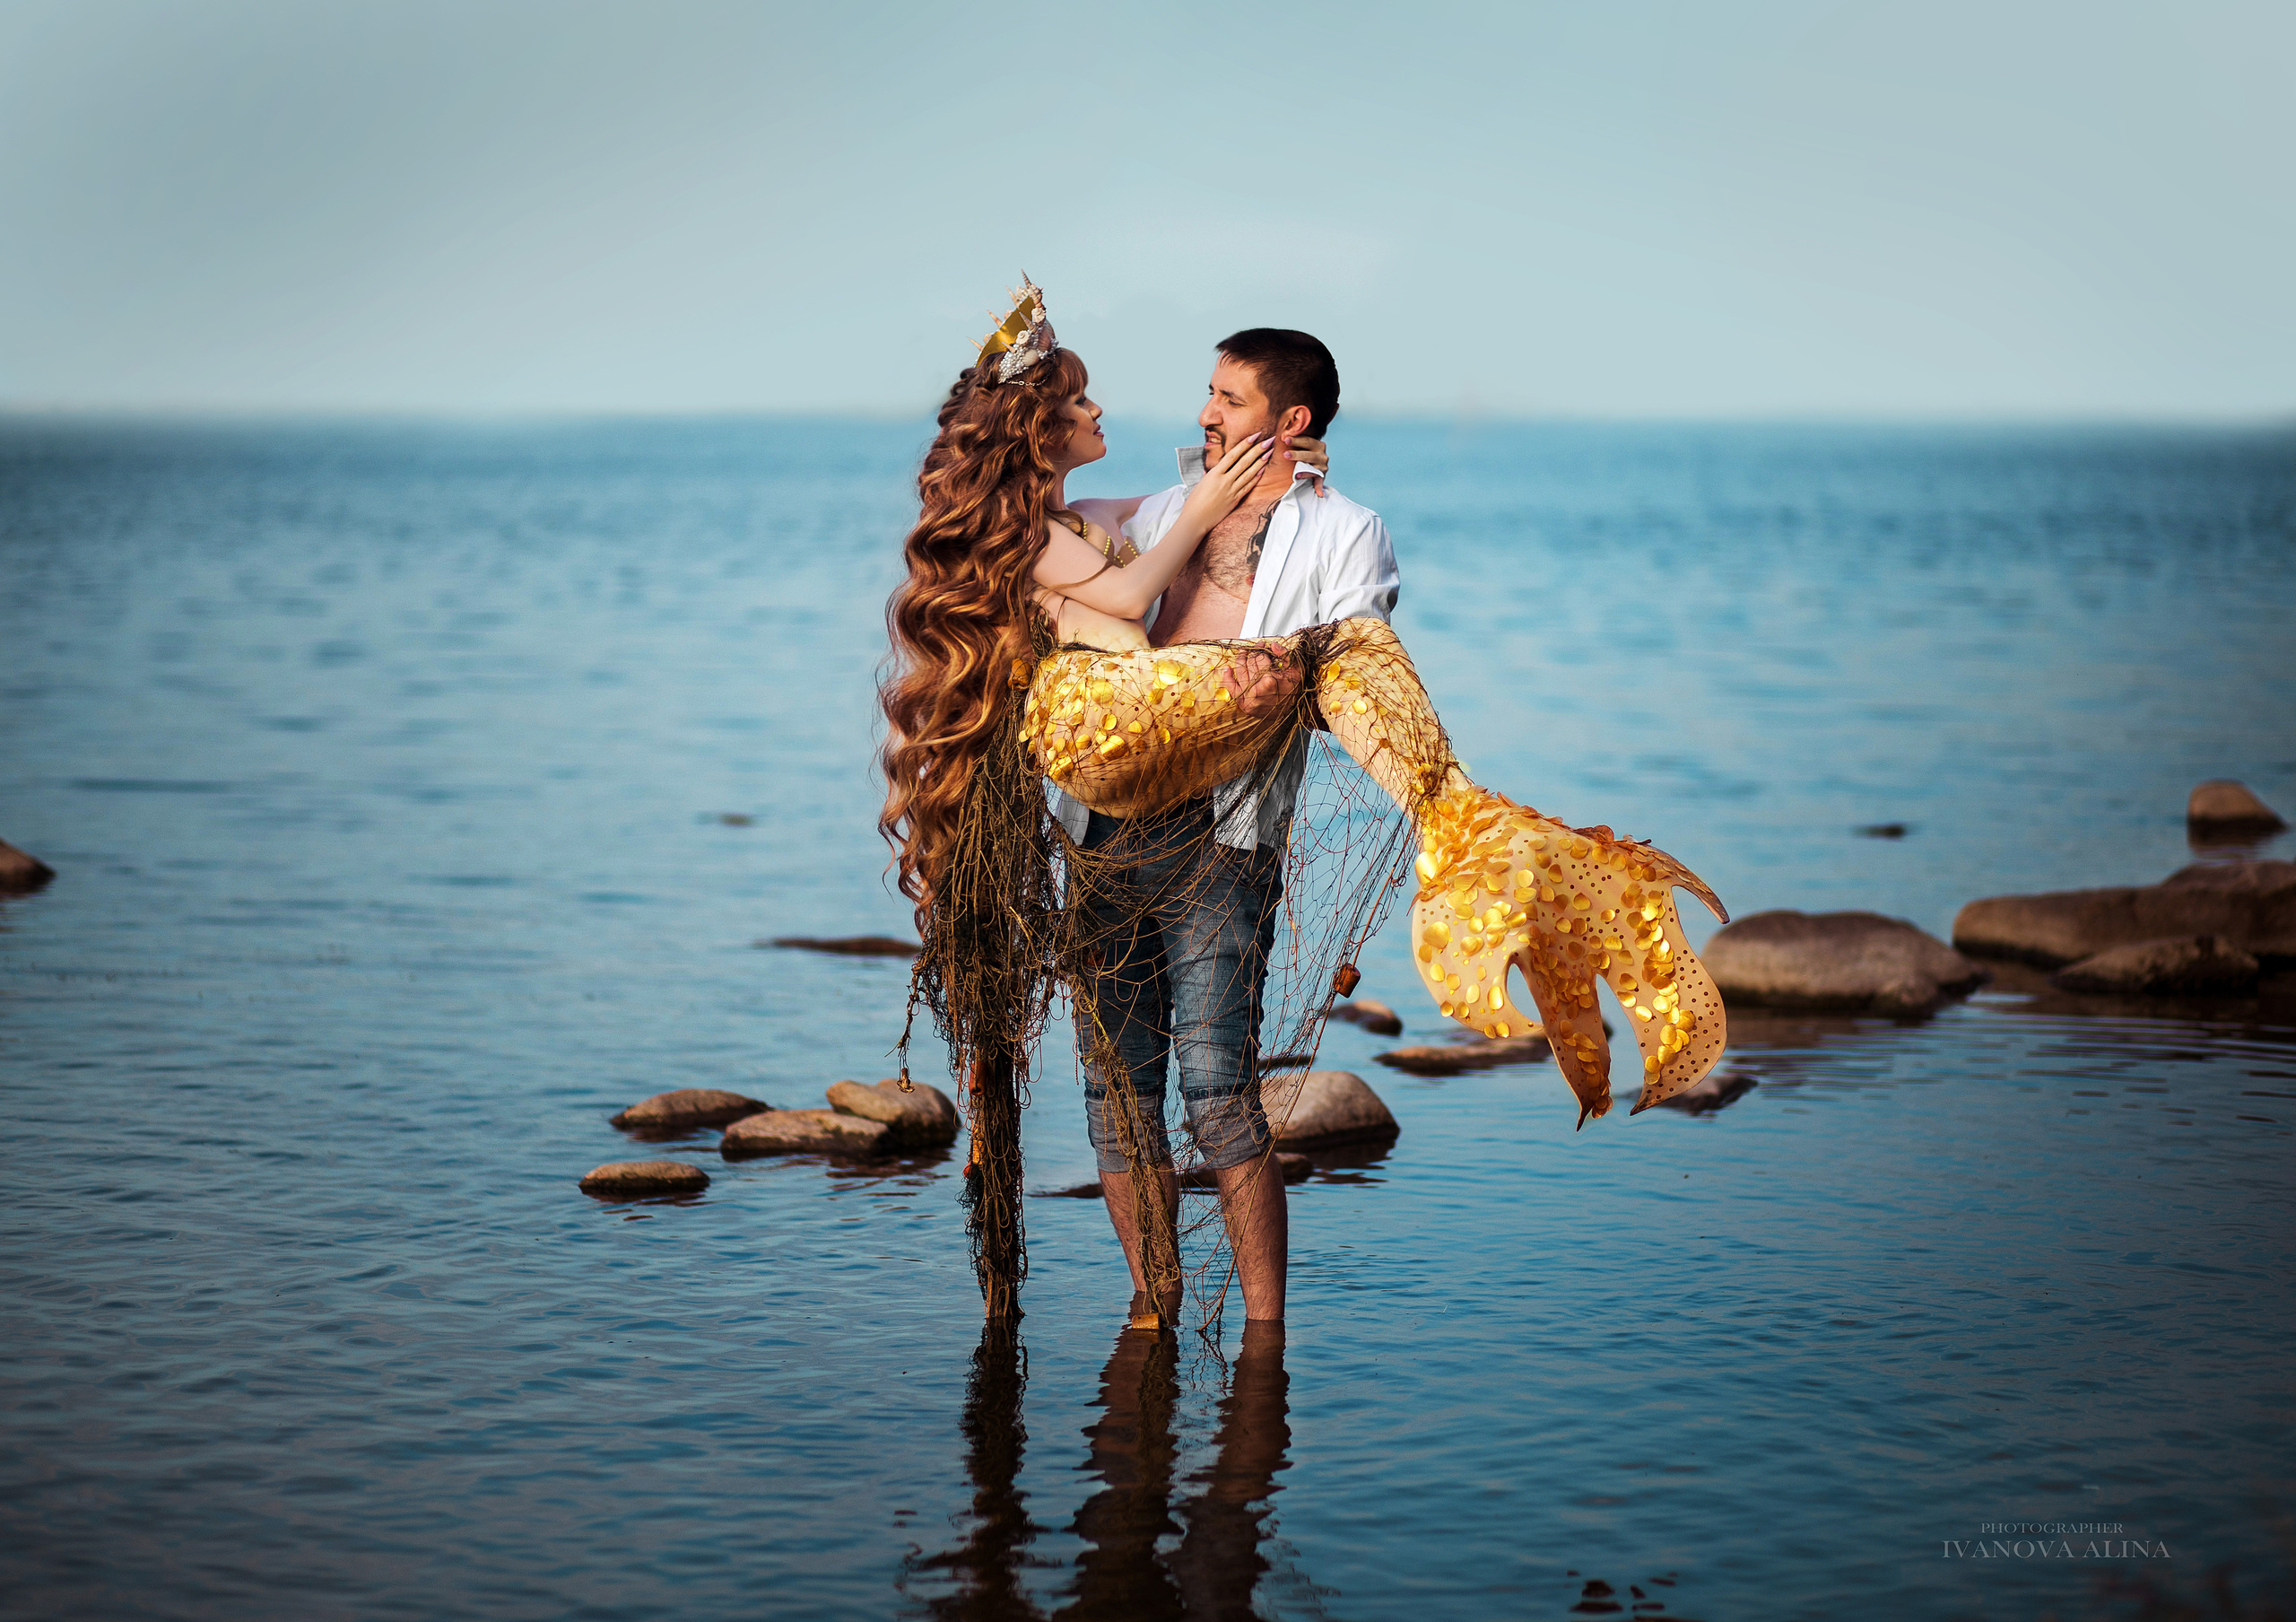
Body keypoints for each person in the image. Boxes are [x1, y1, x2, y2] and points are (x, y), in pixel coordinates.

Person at [880, 281, 1728, 1326]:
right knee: (1114, 1094)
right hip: (1104, 835)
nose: (1203, 412)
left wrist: (1288, 681)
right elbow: (1042, 536)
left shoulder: (1346, 532)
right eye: (1207, 393)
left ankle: (1265, 1329)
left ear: (1289, 420)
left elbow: (1353, 672)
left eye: (1227, 398)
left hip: (1226, 835)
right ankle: (1152, 1307)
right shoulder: (1155, 512)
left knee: (1219, 1091)